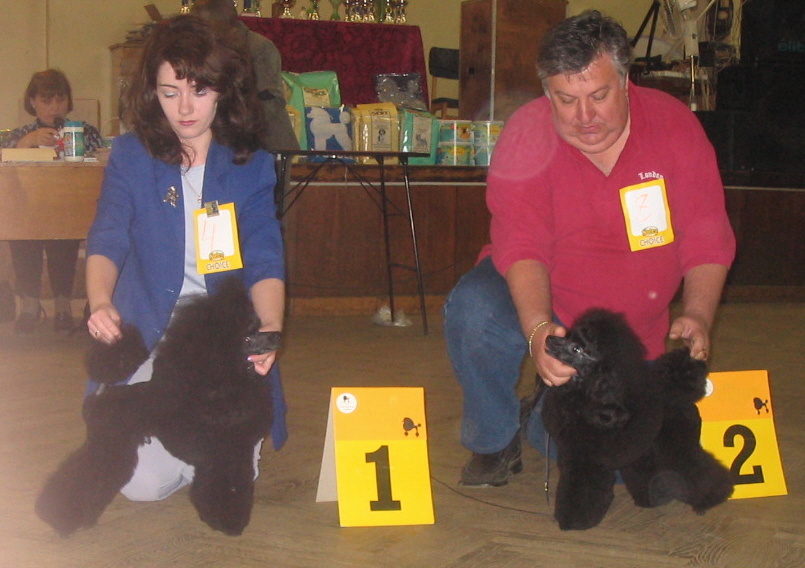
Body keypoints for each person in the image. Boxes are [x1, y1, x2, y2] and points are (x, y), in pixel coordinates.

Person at [443, 11, 736, 488]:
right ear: (547, 93)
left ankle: (543, 414)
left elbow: (707, 235)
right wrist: (539, 331)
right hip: (547, 294)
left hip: (628, 333)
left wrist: (699, 314)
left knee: (630, 470)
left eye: (599, 96)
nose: (585, 117)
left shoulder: (674, 126)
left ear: (626, 82)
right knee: (475, 309)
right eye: (566, 99)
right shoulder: (526, 134)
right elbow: (523, 245)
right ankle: (494, 439)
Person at [84, 14, 286, 502]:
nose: (186, 108)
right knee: (141, 486)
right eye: (170, 92)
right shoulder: (131, 156)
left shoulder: (252, 164)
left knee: (218, 468)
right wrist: (100, 302)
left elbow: (264, 256)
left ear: (223, 90)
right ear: (152, 93)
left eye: (200, 90)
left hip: (221, 341)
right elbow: (108, 236)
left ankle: (217, 438)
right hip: (152, 332)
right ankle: (193, 438)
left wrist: (269, 327)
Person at [2, 69, 103, 333]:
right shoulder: (19, 134)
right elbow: (5, 166)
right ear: (33, 102)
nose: (54, 107)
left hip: (72, 210)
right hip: (27, 213)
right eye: (46, 101)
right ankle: (30, 305)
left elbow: (102, 161)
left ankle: (63, 306)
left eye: (60, 100)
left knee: (64, 236)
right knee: (22, 235)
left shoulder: (85, 131)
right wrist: (27, 143)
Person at [191, 0, 300, 153]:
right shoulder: (197, 47)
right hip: (213, 137)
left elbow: (270, 105)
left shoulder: (260, 47)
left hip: (260, 141)